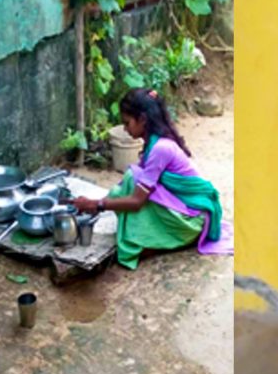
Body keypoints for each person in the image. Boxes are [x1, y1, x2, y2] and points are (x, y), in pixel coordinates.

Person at [73, 88, 232, 269]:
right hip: (181, 205)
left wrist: (97, 205)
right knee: (120, 189)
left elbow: (137, 201)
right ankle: (151, 236)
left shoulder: (160, 148)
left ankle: (178, 238)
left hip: (194, 220)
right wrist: (102, 202)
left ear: (142, 119)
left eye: (127, 123)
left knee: (130, 186)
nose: (125, 129)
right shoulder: (154, 141)